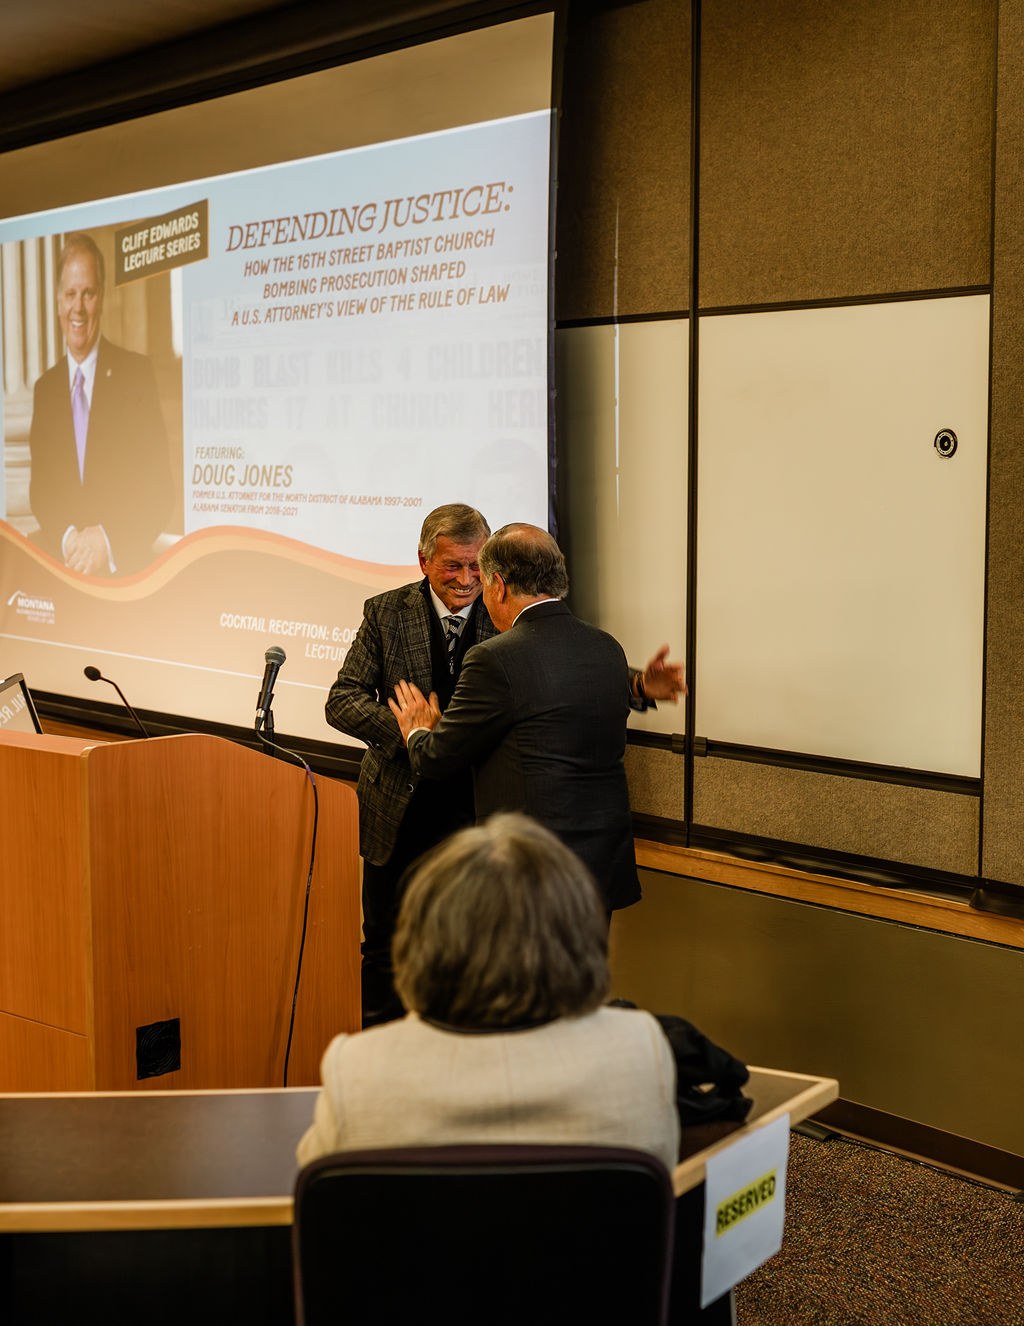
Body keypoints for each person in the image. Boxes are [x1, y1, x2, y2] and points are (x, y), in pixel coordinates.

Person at [296, 813, 680, 1170]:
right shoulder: (641, 1052)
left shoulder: (358, 1072)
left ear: (421, 938)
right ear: (581, 935)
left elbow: (316, 1209)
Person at [390, 523, 685, 914]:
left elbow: (436, 759)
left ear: (498, 585)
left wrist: (417, 729)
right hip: (598, 866)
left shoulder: (493, 658)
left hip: (528, 871)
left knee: (522, 977)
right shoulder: (606, 647)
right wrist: (639, 688)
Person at [325, 502, 495, 1027]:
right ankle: (380, 1060)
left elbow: (556, 671)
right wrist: (410, 734)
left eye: (477, 565)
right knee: (383, 949)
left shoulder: (505, 612)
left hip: (477, 814)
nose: (468, 580)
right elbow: (342, 700)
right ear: (423, 560)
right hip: (396, 814)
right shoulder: (385, 612)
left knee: (470, 950)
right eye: (453, 565)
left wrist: (634, 687)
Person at [28, 231, 172, 575]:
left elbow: (160, 490)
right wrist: (69, 542)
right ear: (59, 302)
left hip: (122, 576)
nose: (78, 307)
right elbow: (41, 490)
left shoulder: (136, 375)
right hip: (63, 573)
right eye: (71, 294)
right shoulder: (44, 390)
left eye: (88, 293)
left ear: (102, 298)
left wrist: (106, 543)